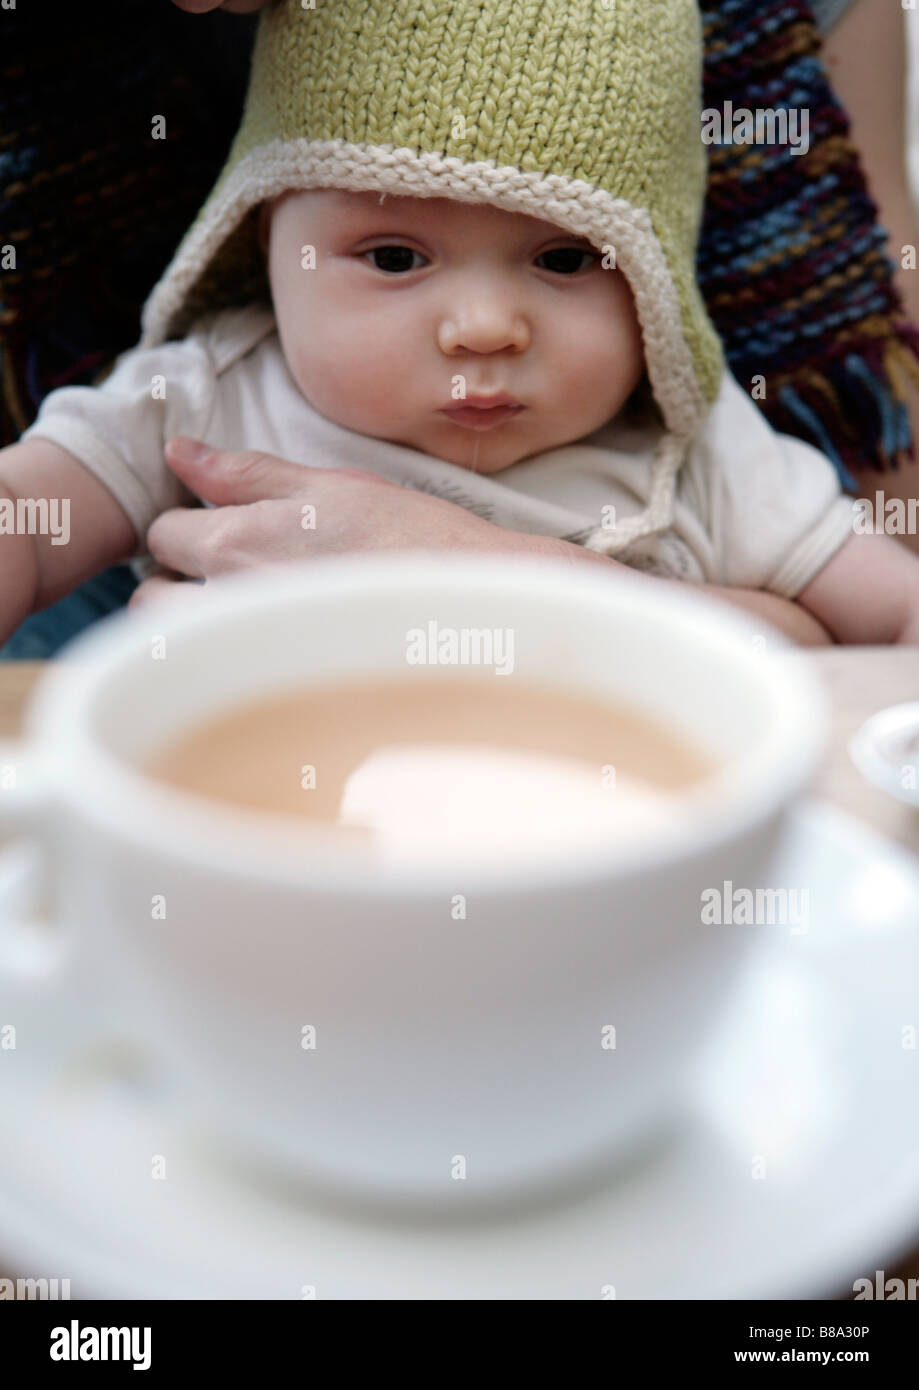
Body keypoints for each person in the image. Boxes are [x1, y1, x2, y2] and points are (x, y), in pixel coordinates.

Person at [1, 0, 917, 651]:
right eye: (395, 258)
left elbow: (891, 616)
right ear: (264, 240)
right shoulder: (204, 393)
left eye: (564, 259)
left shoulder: (703, 445)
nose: (484, 328)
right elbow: (28, 526)